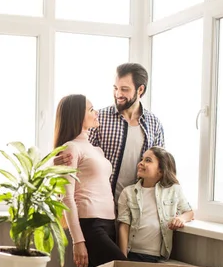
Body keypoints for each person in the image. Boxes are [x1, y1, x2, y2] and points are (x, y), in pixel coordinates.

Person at [55, 63, 165, 203]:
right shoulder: (98, 119)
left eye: (124, 89)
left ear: (140, 90)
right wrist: (55, 163)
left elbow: (161, 168)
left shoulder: (154, 124)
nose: (118, 94)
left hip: (137, 208)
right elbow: (75, 156)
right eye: (115, 88)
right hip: (99, 206)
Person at [54, 94, 127, 267]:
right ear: (78, 116)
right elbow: (67, 197)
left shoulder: (96, 150)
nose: (96, 113)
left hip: (109, 222)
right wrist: (78, 241)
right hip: (90, 223)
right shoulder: (70, 148)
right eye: (91, 109)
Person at [117, 146, 194, 262]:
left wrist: (181, 219)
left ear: (161, 170)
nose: (141, 163)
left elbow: (189, 212)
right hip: (132, 254)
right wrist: (122, 259)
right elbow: (124, 226)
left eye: (148, 160)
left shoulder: (174, 190)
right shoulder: (128, 192)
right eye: (142, 159)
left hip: (157, 256)